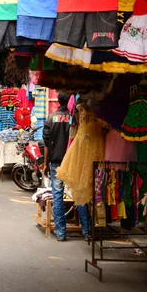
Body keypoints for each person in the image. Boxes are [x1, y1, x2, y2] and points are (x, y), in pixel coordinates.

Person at [43, 93, 91, 242]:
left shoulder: (51, 118)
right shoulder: (74, 118)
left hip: (57, 162)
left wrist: (45, 163)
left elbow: (46, 143)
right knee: (78, 194)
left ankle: (61, 234)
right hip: (74, 162)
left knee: (58, 197)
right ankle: (86, 232)